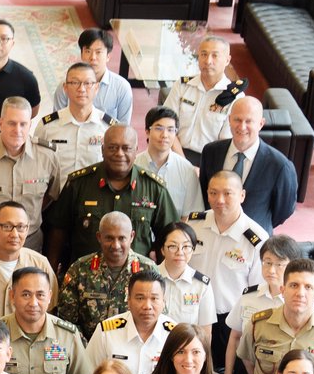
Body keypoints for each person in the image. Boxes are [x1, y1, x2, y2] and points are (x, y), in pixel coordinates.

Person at [44, 124, 176, 269]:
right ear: (102, 150)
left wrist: (163, 276)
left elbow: (169, 237)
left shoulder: (154, 188)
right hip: (85, 278)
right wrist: (51, 272)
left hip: (137, 281)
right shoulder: (79, 184)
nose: (119, 153)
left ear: (136, 151)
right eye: (112, 147)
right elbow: (58, 231)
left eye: (126, 148)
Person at [0, 96, 64, 253]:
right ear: (1, 124)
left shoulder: (48, 156)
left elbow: (51, 196)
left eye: (23, 124)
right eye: (11, 123)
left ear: (30, 125)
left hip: (29, 243)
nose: (18, 130)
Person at [186, 170, 266, 370]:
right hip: (190, 311)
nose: (219, 200)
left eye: (227, 193)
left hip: (227, 321)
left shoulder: (256, 238)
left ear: (242, 195)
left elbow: (257, 290)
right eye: (213, 193)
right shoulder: (194, 224)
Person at [199, 96, 299, 236]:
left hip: (254, 241)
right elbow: (204, 192)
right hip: (214, 233)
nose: (242, 127)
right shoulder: (211, 152)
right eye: (237, 120)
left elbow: (284, 210)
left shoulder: (280, 166)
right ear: (229, 120)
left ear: (261, 123)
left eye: (249, 121)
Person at [2, 267, 91, 374]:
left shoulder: (67, 335)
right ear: (12, 296)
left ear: (49, 296)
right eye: (26, 294)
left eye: (40, 295)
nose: (33, 303)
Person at [56, 212, 158, 339]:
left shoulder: (148, 270)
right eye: (109, 238)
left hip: (134, 349)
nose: (116, 245)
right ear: (99, 237)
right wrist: (89, 349)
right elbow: (66, 322)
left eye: (122, 238)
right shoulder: (80, 269)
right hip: (89, 351)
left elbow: (157, 317)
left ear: (131, 236)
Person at [225, 235, 301, 374]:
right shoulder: (249, 296)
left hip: (286, 372)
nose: (271, 270)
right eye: (267, 262)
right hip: (246, 367)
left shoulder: (298, 300)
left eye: (280, 264)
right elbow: (235, 337)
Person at [84, 268, 178, 374]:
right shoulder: (106, 332)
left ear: (163, 302)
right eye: (140, 298)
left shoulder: (174, 334)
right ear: (128, 301)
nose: (147, 306)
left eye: (154, 299)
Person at [162, 36, 246, 162]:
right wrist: (183, 163)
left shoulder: (235, 97)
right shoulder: (182, 85)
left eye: (215, 56)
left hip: (209, 160)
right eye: (204, 54)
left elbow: (225, 144)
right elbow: (166, 124)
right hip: (174, 152)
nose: (208, 61)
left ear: (227, 60)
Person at [34, 62, 111, 173]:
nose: (81, 89)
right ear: (65, 87)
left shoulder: (108, 128)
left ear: (97, 88)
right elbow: (36, 164)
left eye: (88, 83)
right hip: (57, 189)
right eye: (75, 83)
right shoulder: (47, 126)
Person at [134, 106, 204, 218]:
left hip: (174, 232)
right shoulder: (133, 165)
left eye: (171, 130)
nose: (165, 135)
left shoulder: (187, 170)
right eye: (159, 128)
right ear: (147, 131)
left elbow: (190, 215)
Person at [53, 28, 133, 125]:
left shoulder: (122, 88)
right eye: (88, 51)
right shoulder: (66, 86)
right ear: (81, 54)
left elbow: (123, 128)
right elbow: (57, 123)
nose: (93, 57)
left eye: (98, 52)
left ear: (108, 56)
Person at [157, 222, 215, 341]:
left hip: (186, 350)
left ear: (193, 250)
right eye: (173, 246)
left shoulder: (201, 285)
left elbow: (205, 332)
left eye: (186, 247)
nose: (180, 252)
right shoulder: (149, 278)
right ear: (162, 249)